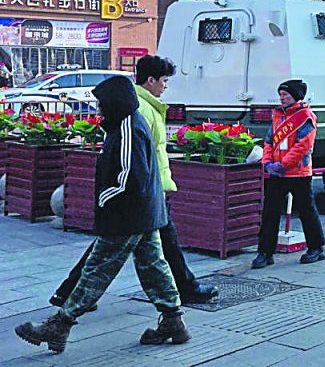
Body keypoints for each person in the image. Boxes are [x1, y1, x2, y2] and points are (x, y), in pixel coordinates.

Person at [16, 76, 189, 354]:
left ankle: (60, 324)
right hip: (142, 212)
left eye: (101, 104)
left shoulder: (128, 128)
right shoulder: (126, 124)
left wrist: (104, 199)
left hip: (127, 213)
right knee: (153, 266)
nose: (99, 109)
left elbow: (128, 176)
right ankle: (173, 320)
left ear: (114, 103)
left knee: (97, 268)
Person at [53, 57, 218, 307]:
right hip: (144, 193)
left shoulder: (146, 105)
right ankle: (181, 295)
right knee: (117, 247)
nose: (165, 86)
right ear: (150, 80)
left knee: (149, 249)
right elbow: (135, 156)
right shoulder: (141, 108)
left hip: (149, 189)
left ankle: (179, 297)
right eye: (164, 81)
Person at [253, 79, 325, 268]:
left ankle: (316, 248)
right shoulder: (278, 115)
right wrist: (267, 162)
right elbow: (269, 141)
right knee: (269, 213)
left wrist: (283, 164)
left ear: (295, 96)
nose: (282, 98)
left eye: (285, 94)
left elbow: (304, 146)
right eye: (280, 94)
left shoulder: (305, 116)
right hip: (277, 173)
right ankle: (265, 252)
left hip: (298, 172)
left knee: (307, 211)